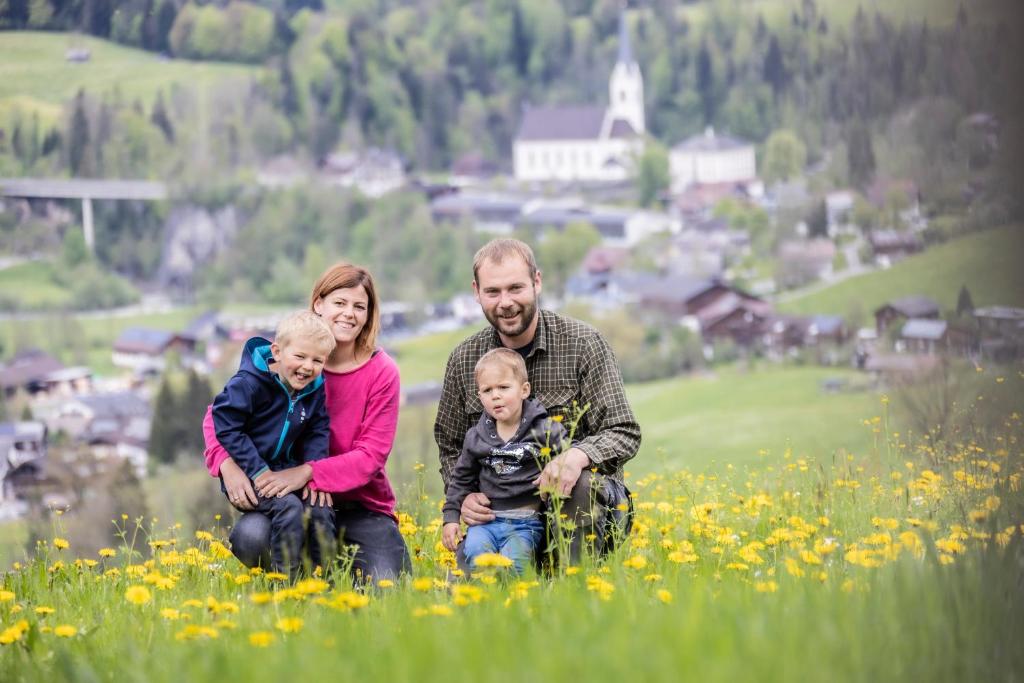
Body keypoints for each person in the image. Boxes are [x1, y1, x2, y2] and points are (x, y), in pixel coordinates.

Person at [434, 238, 641, 567]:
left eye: (515, 288)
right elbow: (450, 446)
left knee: (580, 486)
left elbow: (624, 431)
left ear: (537, 282)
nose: (505, 302)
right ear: (476, 292)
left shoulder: (583, 344)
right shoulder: (464, 360)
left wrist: (577, 456)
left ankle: (576, 584)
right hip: (500, 514)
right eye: (493, 292)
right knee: (471, 587)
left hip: (578, 506)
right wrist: (465, 497)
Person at [204, 262, 412, 582]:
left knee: (388, 585)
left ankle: (333, 572)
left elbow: (371, 456)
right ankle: (297, 588)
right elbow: (217, 415)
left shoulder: (381, 372)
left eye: (359, 307)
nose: (349, 314)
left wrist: (309, 473)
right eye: (339, 303)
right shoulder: (293, 356)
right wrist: (226, 465)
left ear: (369, 315)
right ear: (319, 304)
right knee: (252, 537)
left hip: (359, 506)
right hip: (292, 501)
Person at [211, 310, 337, 578]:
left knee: (320, 508)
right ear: (277, 352)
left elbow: (317, 429)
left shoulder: (314, 388)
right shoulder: (248, 384)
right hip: (251, 472)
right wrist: (258, 471)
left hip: (287, 469)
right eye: (300, 356)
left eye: (317, 360)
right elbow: (225, 424)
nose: (308, 367)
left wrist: (315, 472)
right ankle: (286, 581)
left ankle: (324, 581)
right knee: (289, 508)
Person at [441, 348, 567, 574]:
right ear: (480, 397)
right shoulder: (476, 437)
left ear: (524, 390)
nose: (495, 395)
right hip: (486, 522)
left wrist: (557, 467)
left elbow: (570, 452)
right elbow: (460, 479)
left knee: (515, 565)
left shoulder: (544, 429)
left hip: (526, 522)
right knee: (476, 557)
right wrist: (451, 519)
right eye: (487, 390)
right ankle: (487, 594)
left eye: (503, 387)